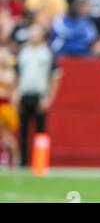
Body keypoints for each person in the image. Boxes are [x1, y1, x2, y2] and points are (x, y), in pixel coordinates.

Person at [13, 24, 62, 167]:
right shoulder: (23, 53)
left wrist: (49, 98)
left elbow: (55, 78)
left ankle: (40, 162)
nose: (33, 35)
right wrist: (15, 93)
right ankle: (22, 162)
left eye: (36, 32)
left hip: (40, 96)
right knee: (23, 131)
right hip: (24, 95)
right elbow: (17, 75)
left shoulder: (47, 53)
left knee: (41, 132)